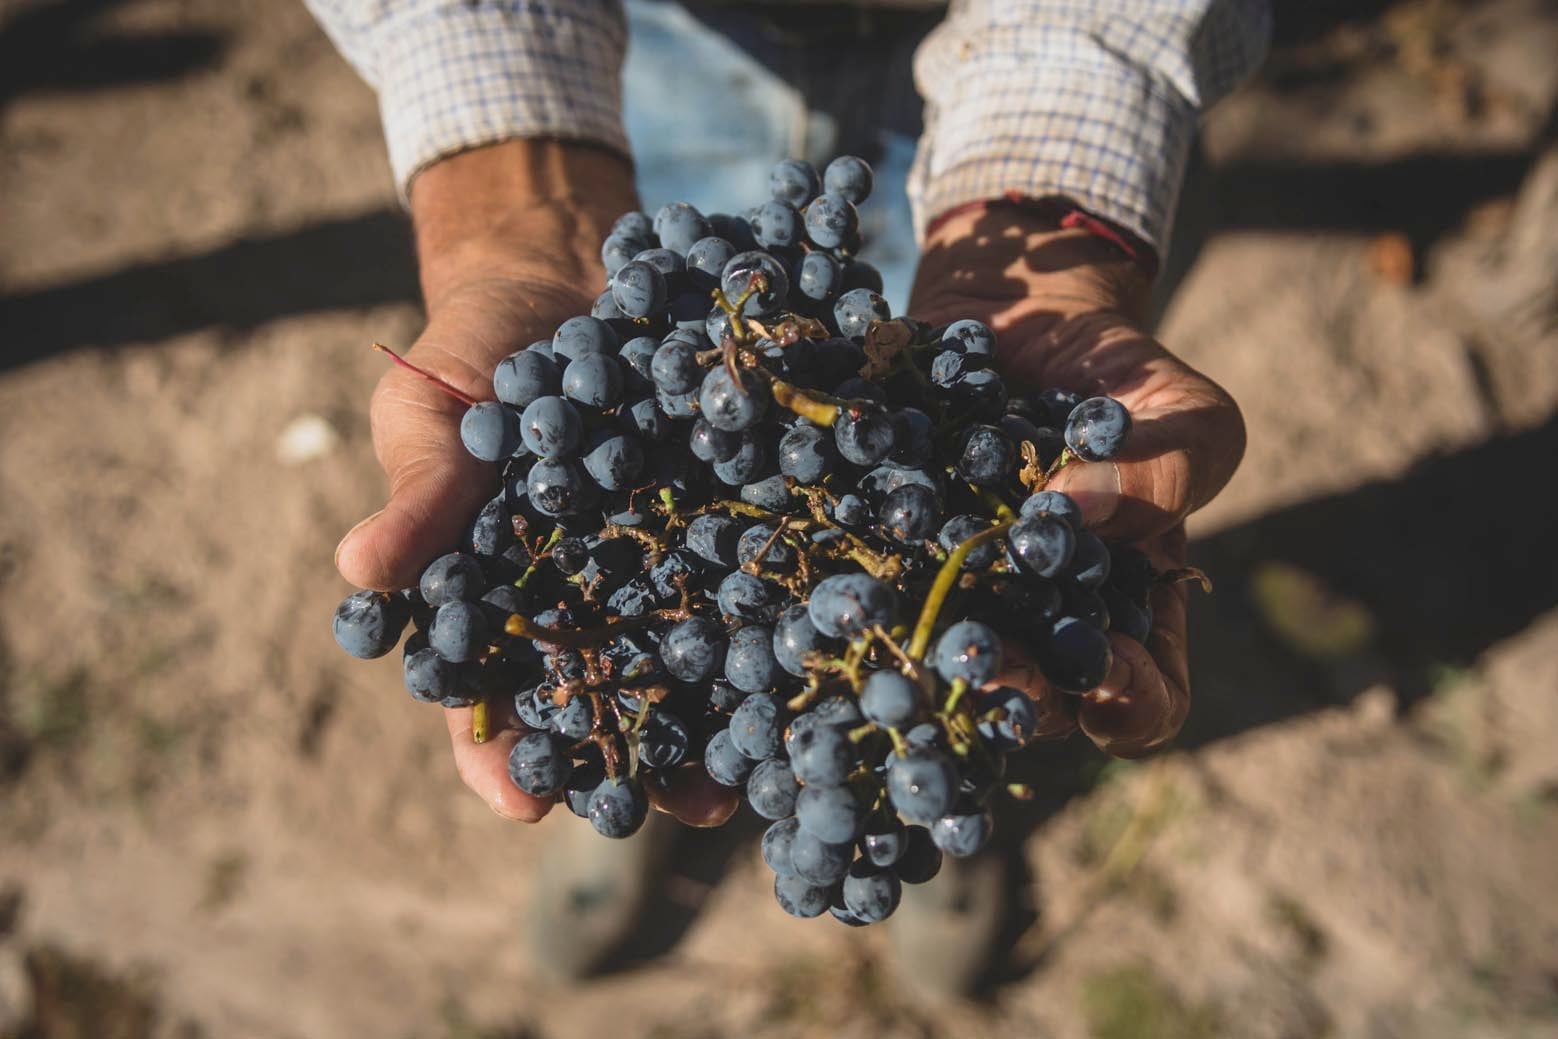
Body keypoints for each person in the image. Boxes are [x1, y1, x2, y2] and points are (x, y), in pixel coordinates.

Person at [311, 0, 1265, 996]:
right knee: (672, 249)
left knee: (983, 502)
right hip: (664, 45)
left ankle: (922, 764)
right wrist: (516, 201)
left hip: (1045, 50)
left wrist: (1049, 200)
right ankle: (641, 732)